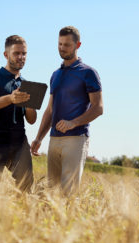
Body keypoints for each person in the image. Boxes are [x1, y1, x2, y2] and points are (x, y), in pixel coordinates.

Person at [31, 26, 103, 195]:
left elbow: (98, 108)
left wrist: (73, 123)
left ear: (78, 45)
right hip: (54, 139)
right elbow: (50, 109)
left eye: (67, 45)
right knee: (51, 192)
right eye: (59, 44)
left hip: (76, 138)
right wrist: (38, 137)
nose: (62, 48)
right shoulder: (55, 74)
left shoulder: (88, 73)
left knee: (68, 194)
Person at [0, 35, 36, 192]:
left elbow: (31, 120)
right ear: (6, 55)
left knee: (26, 187)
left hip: (19, 143)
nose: (21, 57)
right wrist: (10, 98)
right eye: (16, 53)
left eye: (24, 54)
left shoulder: (26, 84)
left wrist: (30, 104)